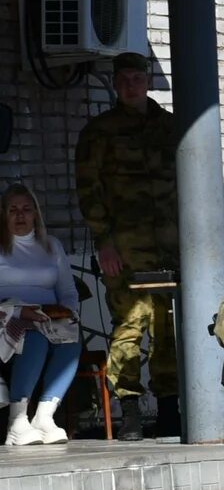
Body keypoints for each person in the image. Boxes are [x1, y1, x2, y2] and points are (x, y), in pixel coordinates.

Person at [72, 51, 178, 437]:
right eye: (124, 78)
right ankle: (130, 408)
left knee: (169, 327)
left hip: (169, 246)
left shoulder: (170, 127)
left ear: (148, 80)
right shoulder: (99, 132)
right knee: (130, 324)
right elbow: (89, 191)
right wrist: (104, 243)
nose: (131, 84)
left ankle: (169, 407)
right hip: (125, 248)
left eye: (138, 77)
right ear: (116, 84)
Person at [1, 185, 83, 447]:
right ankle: (17, 421)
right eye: (13, 210)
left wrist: (69, 313)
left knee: (71, 339)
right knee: (34, 339)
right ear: (3, 215)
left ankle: (44, 417)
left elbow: (68, 291)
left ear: (36, 213)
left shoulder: (51, 245)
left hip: (46, 318)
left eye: (26, 209)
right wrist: (19, 311)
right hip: (7, 316)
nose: (20, 215)